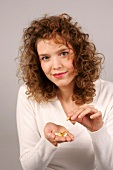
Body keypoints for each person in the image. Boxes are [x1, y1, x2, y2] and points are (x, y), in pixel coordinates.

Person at [16, 13, 113, 170]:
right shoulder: (28, 94)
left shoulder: (109, 93)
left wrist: (98, 131)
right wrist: (48, 141)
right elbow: (29, 166)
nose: (56, 65)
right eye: (45, 57)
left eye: (63, 53)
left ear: (80, 54)